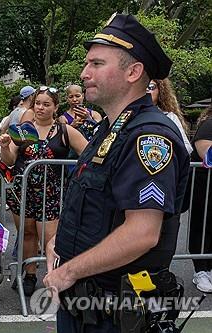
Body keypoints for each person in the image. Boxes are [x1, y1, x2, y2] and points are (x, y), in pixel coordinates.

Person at [43, 14, 190, 332]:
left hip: (114, 314)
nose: (84, 74)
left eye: (96, 64)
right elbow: (95, 204)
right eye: (86, 64)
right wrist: (59, 242)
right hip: (83, 308)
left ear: (133, 72)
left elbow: (142, 233)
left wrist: (68, 271)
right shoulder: (109, 128)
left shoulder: (150, 136)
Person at [0, 86, 87, 296]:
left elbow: (89, 153)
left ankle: (54, 276)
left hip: (52, 193)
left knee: (50, 239)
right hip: (23, 191)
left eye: (46, 104)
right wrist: (4, 146)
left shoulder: (65, 130)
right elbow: (9, 160)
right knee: (27, 233)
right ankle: (29, 274)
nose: (40, 108)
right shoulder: (22, 129)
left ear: (56, 107)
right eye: (38, 103)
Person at [188, 105, 212, 292]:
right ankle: (201, 271)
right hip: (203, 188)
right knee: (202, 227)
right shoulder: (208, 125)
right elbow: (207, 155)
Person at [147, 78, 193, 154]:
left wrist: (165, 155)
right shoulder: (128, 115)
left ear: (160, 91)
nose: (147, 90)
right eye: (143, 87)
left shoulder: (170, 117)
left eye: (151, 87)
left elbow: (186, 147)